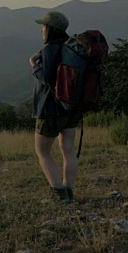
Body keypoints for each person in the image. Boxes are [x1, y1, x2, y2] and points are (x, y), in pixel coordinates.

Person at [29, 11, 80, 204]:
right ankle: (69, 189)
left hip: (50, 109)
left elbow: (48, 78)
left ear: (50, 29)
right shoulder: (72, 48)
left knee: (43, 152)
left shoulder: (50, 49)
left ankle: (59, 193)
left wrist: (34, 64)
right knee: (68, 149)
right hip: (71, 108)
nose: (41, 29)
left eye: (43, 26)